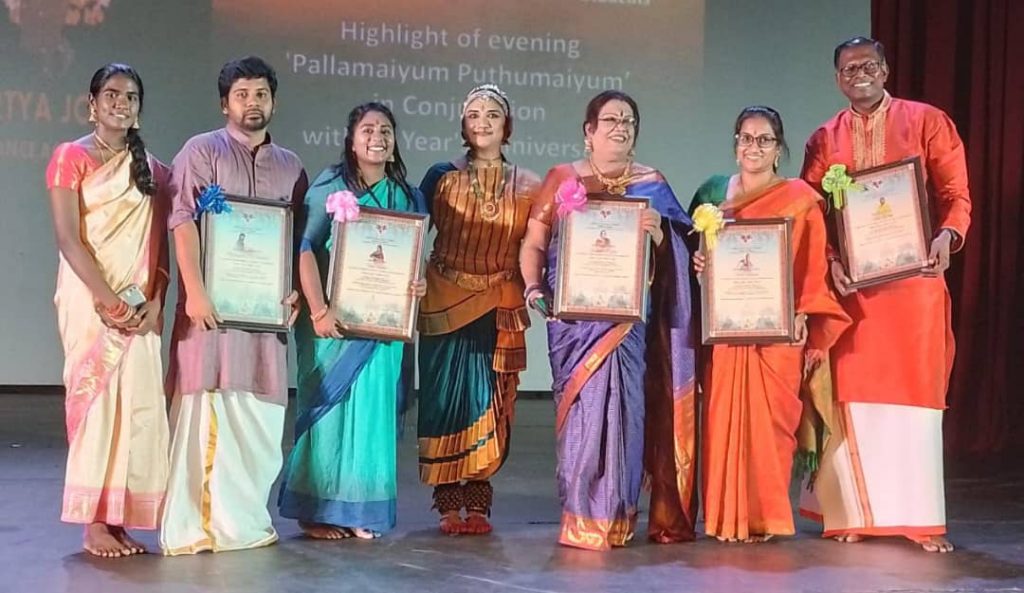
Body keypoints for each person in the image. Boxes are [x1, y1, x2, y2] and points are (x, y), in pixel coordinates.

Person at [799, 36, 971, 554]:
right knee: (853, 399)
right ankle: (851, 515)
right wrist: (830, 261)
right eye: (849, 68)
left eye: (868, 65)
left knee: (914, 400)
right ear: (837, 79)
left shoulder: (927, 121)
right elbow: (811, 214)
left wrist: (947, 236)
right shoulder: (824, 138)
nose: (860, 74)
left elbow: (955, 195)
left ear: (886, 69)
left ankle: (919, 520)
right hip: (854, 291)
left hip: (914, 285)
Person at [520, 90, 698, 551]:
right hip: (574, 324)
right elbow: (534, 241)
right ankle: (581, 516)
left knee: (627, 414)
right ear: (589, 131)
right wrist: (534, 288)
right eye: (611, 120)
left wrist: (660, 233)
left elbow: (680, 253)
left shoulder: (652, 184)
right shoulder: (563, 178)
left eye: (628, 121)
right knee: (582, 415)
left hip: (627, 322)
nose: (620, 128)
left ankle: (618, 517)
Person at [160, 56, 306, 555]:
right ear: (225, 103)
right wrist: (196, 291)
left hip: (265, 321)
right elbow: (182, 219)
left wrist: (295, 291)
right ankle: (198, 528)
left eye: (261, 94)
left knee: (260, 419)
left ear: (274, 101)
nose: (252, 103)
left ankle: (244, 523)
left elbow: (295, 241)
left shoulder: (291, 166)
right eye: (242, 94)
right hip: (212, 317)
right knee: (209, 409)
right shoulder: (201, 151)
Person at [691, 106, 851, 543]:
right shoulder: (716, 198)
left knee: (771, 429)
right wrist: (702, 264)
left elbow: (812, 264)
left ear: (779, 149)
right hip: (729, 332)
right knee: (723, 424)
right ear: (735, 145)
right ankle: (725, 519)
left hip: (778, 332)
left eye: (764, 139)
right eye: (746, 138)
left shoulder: (799, 198)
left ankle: (765, 519)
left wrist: (803, 313)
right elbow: (705, 267)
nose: (754, 147)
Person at [278, 102, 425, 540]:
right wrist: (319, 310)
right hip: (334, 327)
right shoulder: (330, 186)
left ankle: (361, 509)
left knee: (373, 416)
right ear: (351, 139)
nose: (377, 137)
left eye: (385, 130)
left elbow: (409, 256)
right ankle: (316, 511)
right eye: (368, 129)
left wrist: (417, 283)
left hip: (382, 330)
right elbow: (305, 248)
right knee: (329, 418)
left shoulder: (407, 196)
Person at [45, 63, 171, 557]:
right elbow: (68, 238)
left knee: (138, 405)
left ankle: (119, 518)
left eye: (131, 96)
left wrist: (156, 302)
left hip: (139, 310)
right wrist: (106, 297)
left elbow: (161, 250)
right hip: (89, 298)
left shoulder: (155, 170)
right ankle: (94, 521)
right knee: (96, 402)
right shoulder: (70, 157)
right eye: (113, 94)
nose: (122, 102)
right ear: (92, 104)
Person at [416, 84, 541, 535]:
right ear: (462, 125)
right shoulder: (440, 176)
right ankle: (448, 503)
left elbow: (543, 243)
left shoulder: (530, 184)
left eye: (492, 114)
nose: (482, 122)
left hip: (500, 305)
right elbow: (409, 229)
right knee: (445, 403)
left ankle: (479, 504)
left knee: (491, 403)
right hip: (443, 301)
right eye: (473, 114)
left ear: (507, 126)